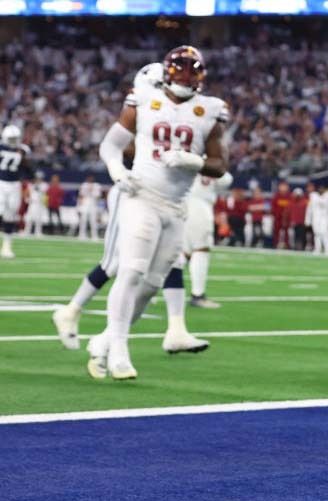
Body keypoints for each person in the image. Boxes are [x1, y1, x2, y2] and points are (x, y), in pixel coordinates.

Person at [85, 47, 227, 379]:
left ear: (201, 76)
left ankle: (105, 340)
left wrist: (195, 161)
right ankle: (119, 349)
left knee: (151, 285)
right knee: (131, 271)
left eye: (192, 72)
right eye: (179, 71)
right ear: (166, 73)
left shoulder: (211, 110)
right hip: (142, 196)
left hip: (177, 207)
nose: (185, 78)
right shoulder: (144, 99)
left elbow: (220, 165)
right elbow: (110, 145)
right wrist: (118, 172)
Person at [52, 62, 213, 356]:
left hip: (166, 200)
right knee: (115, 265)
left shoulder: (175, 110)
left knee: (172, 262)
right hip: (131, 192)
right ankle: (73, 311)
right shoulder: (142, 109)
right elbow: (122, 147)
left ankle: (176, 328)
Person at [186, 172, 232, 308]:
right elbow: (226, 179)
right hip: (200, 207)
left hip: (182, 204)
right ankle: (198, 295)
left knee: (182, 254)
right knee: (201, 250)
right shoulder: (209, 158)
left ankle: (148, 288)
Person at [0, 125, 32, 257]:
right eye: (11, 139)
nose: (13, 142)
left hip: (15, 185)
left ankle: (6, 247)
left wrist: (23, 157)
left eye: (15, 139)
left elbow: (28, 168)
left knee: (10, 216)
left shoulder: (23, 150)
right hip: (1, 182)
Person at [77, 175, 103, 240]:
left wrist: (91, 191)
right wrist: (79, 205)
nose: (90, 180)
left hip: (93, 203)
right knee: (83, 220)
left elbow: (98, 195)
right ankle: (82, 235)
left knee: (93, 221)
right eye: (89, 179)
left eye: (92, 179)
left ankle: (94, 236)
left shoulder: (97, 185)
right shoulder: (84, 185)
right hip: (85, 203)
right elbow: (81, 195)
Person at [24, 171, 47, 237]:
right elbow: (26, 192)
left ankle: (38, 232)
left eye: (40, 178)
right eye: (37, 178)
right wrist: (27, 199)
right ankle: (27, 231)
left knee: (39, 218)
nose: (38, 179)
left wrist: (44, 202)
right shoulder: (31, 184)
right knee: (29, 218)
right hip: (32, 203)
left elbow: (44, 193)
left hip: (39, 204)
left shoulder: (44, 185)